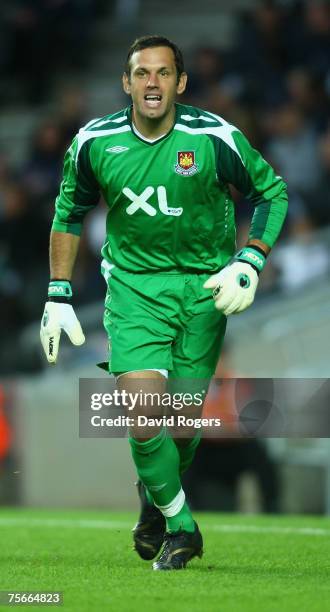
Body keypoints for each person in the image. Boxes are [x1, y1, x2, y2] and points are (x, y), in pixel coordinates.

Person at [40, 35, 288, 571]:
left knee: (182, 426)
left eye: (163, 73)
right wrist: (58, 291)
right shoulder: (93, 143)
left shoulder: (215, 138)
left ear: (181, 83)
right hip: (133, 290)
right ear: (126, 83)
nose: (152, 83)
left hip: (203, 292)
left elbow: (273, 193)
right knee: (144, 412)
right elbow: (67, 214)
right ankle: (182, 527)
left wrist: (249, 261)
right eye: (141, 73)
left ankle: (155, 499)